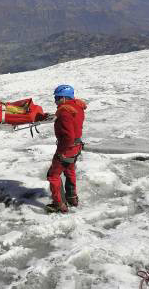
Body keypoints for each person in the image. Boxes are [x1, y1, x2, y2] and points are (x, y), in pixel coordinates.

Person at [46, 84, 87, 213]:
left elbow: (68, 136)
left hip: (67, 148)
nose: (55, 101)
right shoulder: (78, 107)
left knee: (53, 175)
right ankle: (72, 198)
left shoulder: (64, 112)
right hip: (76, 147)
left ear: (64, 98)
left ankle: (59, 204)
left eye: (57, 98)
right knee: (69, 171)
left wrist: (61, 152)